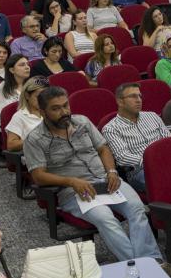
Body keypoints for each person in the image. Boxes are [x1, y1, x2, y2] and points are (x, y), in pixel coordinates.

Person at [25, 87, 161, 261]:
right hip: (74, 190)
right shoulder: (35, 139)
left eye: (66, 105)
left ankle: (150, 260)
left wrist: (111, 171)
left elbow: (103, 148)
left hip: (105, 180)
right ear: (43, 112)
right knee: (106, 219)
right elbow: (38, 176)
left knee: (137, 209)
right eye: (56, 108)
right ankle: (136, 264)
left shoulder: (82, 122)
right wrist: (71, 181)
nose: (64, 112)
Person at [102, 82, 171, 195]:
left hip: (168, 161)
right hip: (139, 171)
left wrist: (168, 159)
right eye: (133, 96)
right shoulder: (111, 128)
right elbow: (122, 157)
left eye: (140, 96)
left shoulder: (152, 116)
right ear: (120, 101)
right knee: (169, 182)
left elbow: (169, 141)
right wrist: (153, 161)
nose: (139, 100)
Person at [4, 77, 48, 153]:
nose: (43, 100)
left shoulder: (50, 112)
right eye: (38, 97)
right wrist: (35, 140)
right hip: (36, 155)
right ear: (27, 95)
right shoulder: (19, 116)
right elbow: (11, 145)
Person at [0, 54, 31, 125]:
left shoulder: (32, 85)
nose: (27, 67)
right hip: (13, 126)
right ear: (12, 70)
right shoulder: (2, 88)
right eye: (22, 65)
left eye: (28, 64)